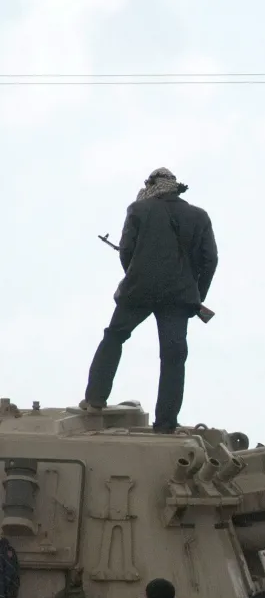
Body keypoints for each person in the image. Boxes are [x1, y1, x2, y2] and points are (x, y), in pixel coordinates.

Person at [82, 168, 218, 432]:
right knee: (173, 357)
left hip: (138, 291)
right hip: (179, 298)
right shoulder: (199, 216)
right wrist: (196, 296)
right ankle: (166, 424)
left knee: (114, 336)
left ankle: (95, 399)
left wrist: (137, 276)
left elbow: (126, 252)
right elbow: (209, 260)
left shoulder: (139, 210)